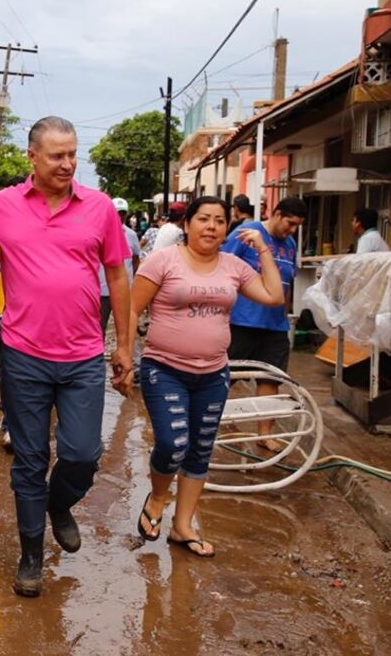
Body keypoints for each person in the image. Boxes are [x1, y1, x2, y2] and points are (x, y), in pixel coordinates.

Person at [0, 116, 133, 598]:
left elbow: (117, 275)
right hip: (22, 354)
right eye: (57, 155)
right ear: (32, 157)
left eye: (73, 154)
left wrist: (124, 344)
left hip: (83, 356)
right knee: (29, 460)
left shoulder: (98, 207)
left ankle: (59, 504)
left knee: (82, 454)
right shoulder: (2, 206)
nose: (67, 164)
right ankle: (31, 555)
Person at [131, 196, 284, 557]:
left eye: (219, 220)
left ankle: (182, 527)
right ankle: (157, 498)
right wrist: (123, 354)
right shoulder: (163, 260)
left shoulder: (234, 266)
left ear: (227, 228)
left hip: (213, 374)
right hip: (164, 369)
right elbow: (132, 308)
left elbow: (274, 295)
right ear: (187, 224)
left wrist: (263, 249)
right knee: (173, 443)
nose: (211, 226)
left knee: (200, 449)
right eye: (203, 219)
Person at [222, 196, 307, 452]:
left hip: (275, 326)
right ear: (277, 214)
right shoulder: (246, 233)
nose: (292, 230)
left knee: (270, 379)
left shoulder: (290, 244)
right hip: (241, 321)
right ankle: (199, 424)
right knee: (222, 377)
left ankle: (265, 434)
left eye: (297, 226)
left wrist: (286, 316)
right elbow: (222, 268)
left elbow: (287, 283)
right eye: (290, 223)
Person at [100, 197, 142, 336]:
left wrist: (132, 280)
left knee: (126, 327)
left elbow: (136, 259)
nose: (119, 217)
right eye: (117, 213)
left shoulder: (131, 235)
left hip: (124, 289)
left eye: (123, 213)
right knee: (100, 326)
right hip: (103, 290)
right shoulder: (99, 232)